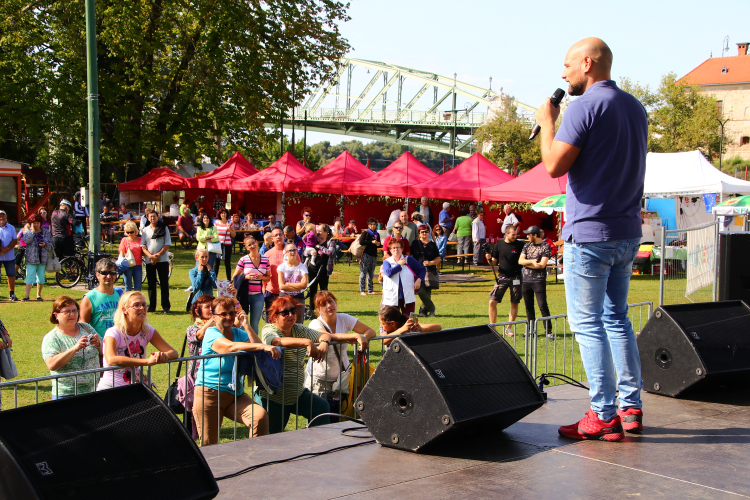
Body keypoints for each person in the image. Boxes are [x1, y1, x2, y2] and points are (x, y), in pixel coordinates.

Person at [536, 38, 647, 441]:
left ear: (587, 63)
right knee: (616, 319)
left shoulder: (584, 106)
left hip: (590, 235)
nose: (562, 74)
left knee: (587, 325)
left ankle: (602, 413)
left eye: (567, 65)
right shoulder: (635, 107)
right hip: (626, 232)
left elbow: (553, 165)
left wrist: (548, 121)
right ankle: (630, 407)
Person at [194, 297, 279, 445]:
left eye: (232, 313)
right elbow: (230, 347)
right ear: (213, 316)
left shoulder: (238, 332)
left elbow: (257, 347)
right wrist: (262, 346)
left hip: (235, 394)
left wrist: (246, 325)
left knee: (259, 417)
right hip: (210, 393)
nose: (228, 317)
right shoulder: (211, 333)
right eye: (223, 314)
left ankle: (254, 460)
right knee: (210, 445)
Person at [257, 296, 330, 434]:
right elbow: (276, 341)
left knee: (321, 407)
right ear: (275, 317)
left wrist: (325, 342)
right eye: (285, 312)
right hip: (273, 397)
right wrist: (307, 342)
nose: (290, 315)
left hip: (296, 394)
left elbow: (324, 335)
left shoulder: (299, 329)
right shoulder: (268, 329)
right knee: (273, 438)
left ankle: (318, 447)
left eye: (293, 310)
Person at [97, 291, 177, 390]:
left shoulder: (148, 331)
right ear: (125, 310)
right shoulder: (113, 333)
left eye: (144, 305)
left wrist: (164, 355)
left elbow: (174, 353)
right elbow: (111, 359)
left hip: (135, 387)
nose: (142, 308)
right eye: (136, 305)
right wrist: (146, 362)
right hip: (111, 387)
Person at [304, 291, 374, 405]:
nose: (329, 306)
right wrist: (353, 335)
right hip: (319, 381)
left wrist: (362, 337)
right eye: (323, 304)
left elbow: (371, 331)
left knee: (340, 418)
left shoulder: (344, 318)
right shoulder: (314, 324)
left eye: (331, 301)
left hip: (342, 380)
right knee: (318, 418)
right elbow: (326, 336)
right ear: (318, 309)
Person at [42, 296, 101, 399]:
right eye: (67, 311)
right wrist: (74, 349)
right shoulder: (52, 338)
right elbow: (51, 364)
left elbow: (104, 350)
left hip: (93, 390)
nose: (72, 314)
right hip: (67, 394)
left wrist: (98, 344)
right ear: (56, 315)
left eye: (74, 310)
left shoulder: (86, 328)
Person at [486, 226, 525, 334]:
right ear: (506, 234)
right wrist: (489, 259)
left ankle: (509, 328)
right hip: (502, 277)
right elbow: (493, 263)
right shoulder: (499, 245)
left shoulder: (520, 245)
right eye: (513, 234)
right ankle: (493, 328)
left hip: (516, 277)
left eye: (516, 234)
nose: (515, 236)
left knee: (514, 302)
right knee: (492, 301)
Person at [518, 226, 552, 339]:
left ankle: (548, 331)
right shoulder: (527, 245)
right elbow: (520, 261)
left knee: (542, 305)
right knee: (529, 307)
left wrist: (527, 263)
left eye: (529, 234)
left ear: (535, 235)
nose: (527, 236)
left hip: (539, 280)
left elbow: (542, 265)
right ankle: (531, 330)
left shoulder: (545, 247)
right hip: (526, 280)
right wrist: (532, 261)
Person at [233, 234, 269, 334]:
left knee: (254, 324)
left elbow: (268, 277)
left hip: (258, 296)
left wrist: (261, 277)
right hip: (244, 295)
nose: (252, 246)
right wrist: (246, 277)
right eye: (249, 245)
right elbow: (234, 277)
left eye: (253, 243)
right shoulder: (243, 260)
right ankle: (241, 344)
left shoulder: (265, 260)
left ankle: (255, 346)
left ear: (257, 242)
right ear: (246, 247)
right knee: (241, 323)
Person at [380, 237, 425, 316]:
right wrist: (400, 264)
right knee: (392, 321)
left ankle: (412, 329)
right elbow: (389, 273)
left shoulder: (409, 259)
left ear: (402, 249)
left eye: (398, 247)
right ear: (390, 250)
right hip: (391, 297)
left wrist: (419, 280)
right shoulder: (387, 262)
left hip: (408, 295)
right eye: (393, 248)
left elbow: (422, 269)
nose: (396, 250)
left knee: (410, 320)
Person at [80, 259, 122, 339]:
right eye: (104, 273)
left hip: (119, 343)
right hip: (99, 345)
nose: (109, 276)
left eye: (112, 273)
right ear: (97, 275)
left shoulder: (120, 294)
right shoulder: (89, 298)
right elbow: (83, 326)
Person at [141, 210, 172, 314]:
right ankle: (152, 306)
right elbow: (143, 246)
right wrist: (151, 256)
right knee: (151, 284)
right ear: (148, 218)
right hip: (150, 260)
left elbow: (167, 243)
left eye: (154, 216)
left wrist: (158, 255)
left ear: (158, 217)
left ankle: (166, 306)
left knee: (164, 283)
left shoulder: (164, 227)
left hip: (162, 260)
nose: (152, 218)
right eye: (150, 217)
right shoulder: (145, 230)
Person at [305, 224, 337, 318]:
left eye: (320, 230)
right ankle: (312, 311)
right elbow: (305, 250)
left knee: (324, 291)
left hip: (324, 269)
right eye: (317, 230)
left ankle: (326, 309)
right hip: (312, 269)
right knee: (312, 291)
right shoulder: (314, 239)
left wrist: (319, 247)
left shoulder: (331, 241)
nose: (317, 232)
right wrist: (310, 251)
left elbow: (329, 252)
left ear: (326, 231)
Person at [21, 214, 53, 301]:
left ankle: (38, 295)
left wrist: (45, 244)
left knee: (41, 277)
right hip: (31, 258)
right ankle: (26, 296)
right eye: (34, 223)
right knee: (29, 276)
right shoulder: (27, 231)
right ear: (31, 223)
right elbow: (26, 240)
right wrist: (32, 231)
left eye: (38, 223)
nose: (36, 225)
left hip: (42, 258)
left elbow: (51, 244)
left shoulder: (45, 232)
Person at [411, 224, 441, 317]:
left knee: (427, 291)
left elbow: (438, 258)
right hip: (417, 270)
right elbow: (410, 256)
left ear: (429, 233)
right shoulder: (415, 243)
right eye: (422, 231)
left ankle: (423, 311)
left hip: (429, 271)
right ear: (419, 233)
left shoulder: (432, 244)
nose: (424, 233)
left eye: (426, 231)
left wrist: (431, 263)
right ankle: (432, 308)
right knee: (420, 290)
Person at [277, 243, 308, 321]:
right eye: (290, 250)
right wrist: (298, 285)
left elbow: (304, 285)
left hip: (298, 297)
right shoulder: (281, 267)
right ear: (286, 252)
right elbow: (282, 286)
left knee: (299, 323)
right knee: (284, 321)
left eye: (294, 250)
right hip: (284, 297)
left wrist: (289, 284)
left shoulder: (302, 267)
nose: (292, 252)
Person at [263, 227, 285, 313]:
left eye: (280, 234)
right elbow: (264, 273)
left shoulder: (291, 252)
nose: (278, 237)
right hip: (271, 291)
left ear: (284, 236)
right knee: (271, 320)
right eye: (276, 235)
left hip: (287, 291)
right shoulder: (267, 254)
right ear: (272, 239)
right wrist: (264, 289)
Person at [358, 218, 381, 296]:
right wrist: (371, 242)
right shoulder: (366, 233)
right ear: (368, 225)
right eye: (371, 224)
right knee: (363, 273)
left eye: (374, 224)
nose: (373, 226)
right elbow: (361, 242)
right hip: (366, 254)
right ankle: (362, 290)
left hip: (374, 255)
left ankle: (370, 290)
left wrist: (378, 243)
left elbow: (379, 244)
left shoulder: (377, 234)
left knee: (371, 273)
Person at [119, 221, 143, 292]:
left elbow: (143, 251)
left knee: (138, 286)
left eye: (131, 232)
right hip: (127, 265)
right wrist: (121, 262)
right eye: (127, 232)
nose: (129, 234)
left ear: (135, 231)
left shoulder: (140, 239)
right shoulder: (124, 240)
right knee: (128, 286)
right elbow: (121, 252)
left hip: (138, 264)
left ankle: (137, 301)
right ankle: (127, 302)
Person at [214, 208, 236, 280]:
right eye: (222, 213)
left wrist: (229, 228)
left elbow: (234, 235)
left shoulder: (230, 223)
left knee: (227, 263)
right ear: (219, 214)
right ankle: (214, 280)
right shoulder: (216, 222)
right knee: (216, 263)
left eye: (224, 213)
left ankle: (229, 280)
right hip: (218, 244)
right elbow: (214, 233)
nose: (223, 214)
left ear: (227, 214)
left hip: (227, 244)